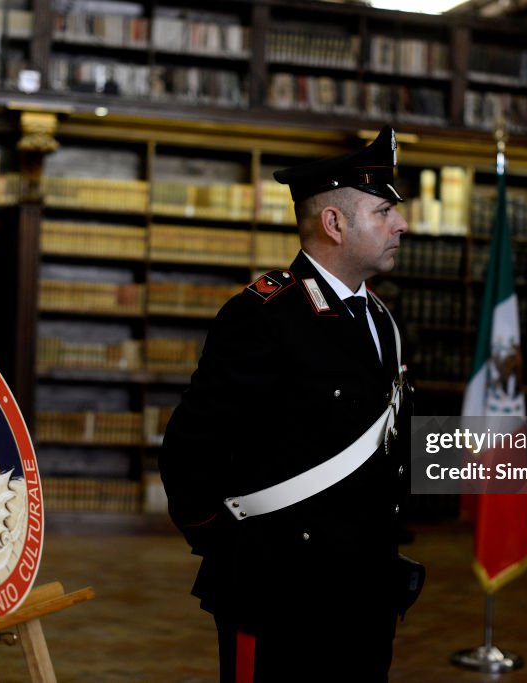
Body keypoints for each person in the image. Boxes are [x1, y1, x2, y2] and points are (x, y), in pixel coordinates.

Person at [159, 125, 417, 683]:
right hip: (280, 591)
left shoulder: (381, 319)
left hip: (366, 589)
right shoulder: (265, 314)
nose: (401, 224)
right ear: (334, 223)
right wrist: (238, 551)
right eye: (383, 212)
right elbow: (189, 451)